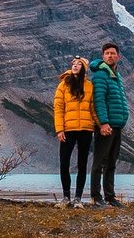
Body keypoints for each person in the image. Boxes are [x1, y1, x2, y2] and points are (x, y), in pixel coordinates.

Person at [88, 42, 129, 206]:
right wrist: (103, 123)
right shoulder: (100, 75)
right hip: (106, 126)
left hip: (117, 125)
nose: (110, 56)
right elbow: (99, 101)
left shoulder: (116, 75)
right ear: (103, 56)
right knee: (99, 162)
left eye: (113, 53)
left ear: (118, 56)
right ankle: (97, 198)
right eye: (107, 53)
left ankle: (110, 197)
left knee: (111, 162)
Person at [53, 56, 98, 206]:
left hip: (85, 129)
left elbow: (93, 109)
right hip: (68, 129)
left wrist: (101, 124)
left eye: (79, 64)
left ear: (84, 68)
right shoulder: (63, 85)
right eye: (74, 63)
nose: (75, 66)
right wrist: (60, 129)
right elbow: (58, 108)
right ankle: (66, 197)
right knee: (64, 163)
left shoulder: (90, 86)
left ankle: (78, 198)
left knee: (82, 164)